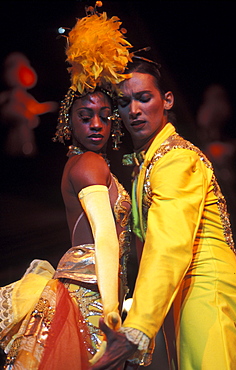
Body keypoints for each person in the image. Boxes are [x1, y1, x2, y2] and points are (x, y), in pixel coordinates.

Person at [0, 3, 133, 369]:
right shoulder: (89, 163)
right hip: (90, 299)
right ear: (68, 121)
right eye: (85, 116)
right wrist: (110, 312)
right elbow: (104, 235)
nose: (96, 124)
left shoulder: (82, 163)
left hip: (94, 291)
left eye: (105, 117)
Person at [91, 60, 236, 369]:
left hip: (205, 294)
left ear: (168, 100)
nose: (134, 110)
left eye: (144, 98)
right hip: (181, 297)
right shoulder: (148, 163)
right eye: (124, 102)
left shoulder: (174, 159)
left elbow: (168, 243)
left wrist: (137, 328)